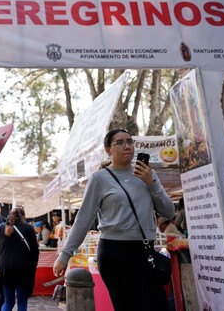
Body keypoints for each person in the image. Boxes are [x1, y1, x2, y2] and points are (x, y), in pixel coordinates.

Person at [53, 129, 175, 311]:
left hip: (145, 251)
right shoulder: (99, 179)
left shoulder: (147, 174)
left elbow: (168, 211)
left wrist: (151, 183)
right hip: (115, 253)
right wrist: (65, 255)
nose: (127, 146)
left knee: (156, 305)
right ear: (108, 150)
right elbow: (84, 219)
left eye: (130, 141)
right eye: (119, 142)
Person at [0, 206, 40, 311]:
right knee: (22, 302)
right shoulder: (28, 228)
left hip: (4, 269)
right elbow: (35, 251)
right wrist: (32, 266)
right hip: (22, 269)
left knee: (8, 302)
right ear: (22, 216)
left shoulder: (0, 228)